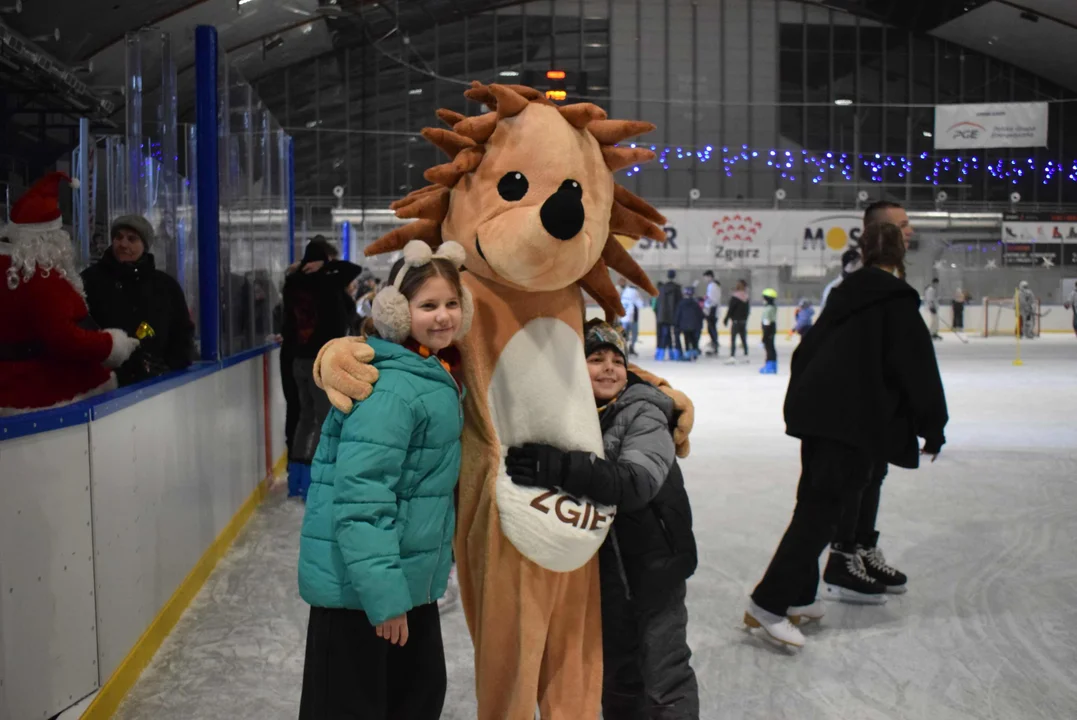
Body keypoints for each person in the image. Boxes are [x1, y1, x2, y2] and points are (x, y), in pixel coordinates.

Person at [744, 222, 948, 648]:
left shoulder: (842, 296)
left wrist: (802, 406)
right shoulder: (896, 301)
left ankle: (799, 597)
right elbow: (918, 369)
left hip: (819, 416)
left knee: (817, 506)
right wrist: (933, 426)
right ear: (900, 254)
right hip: (852, 422)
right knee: (824, 513)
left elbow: (806, 352)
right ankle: (769, 603)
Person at [297, 240, 470, 720]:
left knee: (418, 695)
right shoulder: (390, 389)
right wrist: (385, 599)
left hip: (404, 586)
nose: (443, 317)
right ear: (396, 310)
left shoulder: (431, 372)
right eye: (428, 305)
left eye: (452, 303)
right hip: (364, 597)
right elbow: (362, 501)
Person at [506, 320, 698, 719]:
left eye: (617, 360)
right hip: (605, 577)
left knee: (665, 673)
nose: (609, 367)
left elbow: (637, 483)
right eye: (596, 359)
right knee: (619, 678)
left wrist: (559, 468)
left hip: (653, 568)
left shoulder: (644, 411)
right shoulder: (574, 416)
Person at [1, 172, 140, 414]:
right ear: (50, 238)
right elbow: (63, 338)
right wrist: (112, 345)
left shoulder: (12, 273)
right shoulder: (43, 278)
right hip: (42, 392)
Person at [281, 237, 362, 498]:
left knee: (305, 417)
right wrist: (327, 267)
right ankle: (319, 478)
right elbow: (354, 270)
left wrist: (299, 267)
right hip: (321, 360)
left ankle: (297, 478)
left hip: (297, 361)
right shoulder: (327, 281)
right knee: (324, 420)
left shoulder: (292, 283)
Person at [81, 215, 195, 386]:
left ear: (145, 245)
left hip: (156, 387)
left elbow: (182, 335)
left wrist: (168, 369)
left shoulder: (166, 287)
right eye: (118, 237)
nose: (123, 244)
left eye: (132, 239)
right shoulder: (90, 281)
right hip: (102, 387)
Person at [655, 269, 682, 360]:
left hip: (663, 316)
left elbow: (658, 303)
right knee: (675, 335)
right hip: (675, 315)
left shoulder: (661, 288)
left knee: (664, 334)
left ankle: (660, 354)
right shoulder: (677, 288)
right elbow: (680, 303)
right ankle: (675, 354)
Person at [723, 279, 750, 364]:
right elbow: (747, 310)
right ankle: (746, 355)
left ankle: (732, 356)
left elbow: (731, 309)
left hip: (736, 321)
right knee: (743, 339)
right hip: (743, 321)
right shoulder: (746, 297)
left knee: (733, 339)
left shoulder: (735, 297)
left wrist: (726, 318)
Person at [675, 285, 705, 361]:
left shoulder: (681, 303)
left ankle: (688, 354)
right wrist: (700, 325)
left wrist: (676, 324)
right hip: (695, 326)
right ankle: (694, 354)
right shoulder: (696, 304)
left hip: (684, 326)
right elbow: (700, 315)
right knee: (694, 340)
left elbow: (678, 315)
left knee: (687, 340)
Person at [619, 277, 645, 357]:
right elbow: (641, 305)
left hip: (623, 319)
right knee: (634, 334)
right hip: (633, 319)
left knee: (624, 335)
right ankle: (630, 348)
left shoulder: (624, 294)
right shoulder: (634, 293)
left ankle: (624, 349)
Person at [702, 270, 721, 355]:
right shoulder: (713, 285)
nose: (705, 279)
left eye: (705, 277)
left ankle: (714, 345)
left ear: (709, 276)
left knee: (711, 328)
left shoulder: (712, 286)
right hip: (712, 310)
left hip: (712, 310)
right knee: (711, 328)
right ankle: (714, 344)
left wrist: (705, 303)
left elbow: (712, 299)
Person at [759, 288, 778, 374]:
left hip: (768, 329)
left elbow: (767, 322)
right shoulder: (773, 307)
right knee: (771, 348)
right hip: (771, 329)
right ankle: (773, 366)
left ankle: (769, 366)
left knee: (769, 348)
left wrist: (764, 337)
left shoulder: (768, 309)